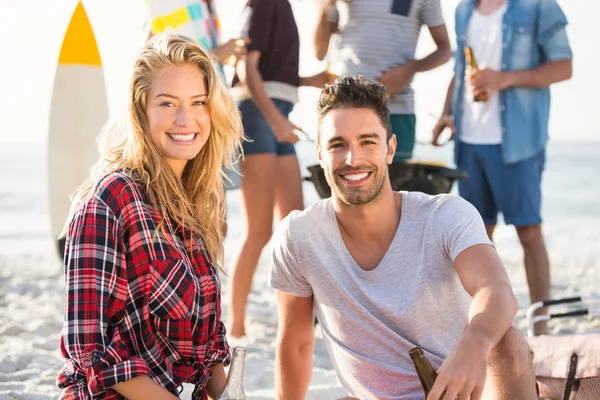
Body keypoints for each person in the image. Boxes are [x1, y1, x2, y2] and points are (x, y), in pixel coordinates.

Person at [269, 76, 539, 400]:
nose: (353, 159)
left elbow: (495, 289)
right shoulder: (299, 235)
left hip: (457, 391)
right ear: (320, 154)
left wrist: (475, 341)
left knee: (508, 343)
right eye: (338, 144)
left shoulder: (444, 215)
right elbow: (296, 343)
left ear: (390, 149)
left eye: (368, 141)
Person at [56, 32, 244, 399]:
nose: (185, 119)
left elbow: (207, 351)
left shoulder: (195, 206)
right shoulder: (110, 200)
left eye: (199, 102)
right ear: (141, 111)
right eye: (167, 103)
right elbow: (90, 351)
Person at [432, 0, 573, 335]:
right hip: (468, 142)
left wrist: (503, 79)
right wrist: (446, 114)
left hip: (518, 143)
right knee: (475, 239)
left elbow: (564, 67)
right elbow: (459, 70)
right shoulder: (463, 10)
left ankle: (541, 330)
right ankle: (479, 326)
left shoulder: (538, 6)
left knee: (529, 232)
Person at [226, 0, 329, 339]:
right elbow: (246, 69)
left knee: (295, 224)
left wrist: (307, 80)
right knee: (259, 230)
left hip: (278, 112)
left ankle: (297, 315)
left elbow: (271, 71)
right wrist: (275, 120)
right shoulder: (263, 3)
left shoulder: (280, 6)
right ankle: (235, 325)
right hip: (258, 115)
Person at [313, 0, 452, 162]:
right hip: (346, 110)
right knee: (347, 181)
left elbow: (445, 50)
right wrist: (326, 5)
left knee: (396, 182)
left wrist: (410, 69)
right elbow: (319, 52)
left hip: (397, 110)